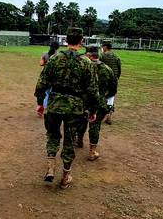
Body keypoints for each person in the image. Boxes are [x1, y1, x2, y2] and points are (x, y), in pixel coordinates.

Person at [34, 27, 99, 188]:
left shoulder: (55, 59)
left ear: (66, 40)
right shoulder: (86, 62)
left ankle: (50, 168)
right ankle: (65, 176)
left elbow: (42, 83)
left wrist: (40, 103)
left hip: (55, 104)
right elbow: (93, 90)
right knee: (69, 141)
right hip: (75, 108)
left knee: (53, 136)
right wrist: (93, 110)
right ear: (81, 41)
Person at [76, 46, 117, 159]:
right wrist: (103, 96)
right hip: (100, 101)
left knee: (81, 122)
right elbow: (113, 90)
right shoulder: (108, 69)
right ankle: (92, 151)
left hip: (83, 101)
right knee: (95, 126)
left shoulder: (82, 67)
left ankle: (79, 140)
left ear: (89, 55)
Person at [100, 41, 121, 124]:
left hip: (104, 80)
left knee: (102, 97)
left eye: (102, 46)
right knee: (111, 98)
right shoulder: (116, 56)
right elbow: (119, 70)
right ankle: (109, 116)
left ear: (105, 47)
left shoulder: (102, 56)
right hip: (114, 80)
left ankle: (102, 116)